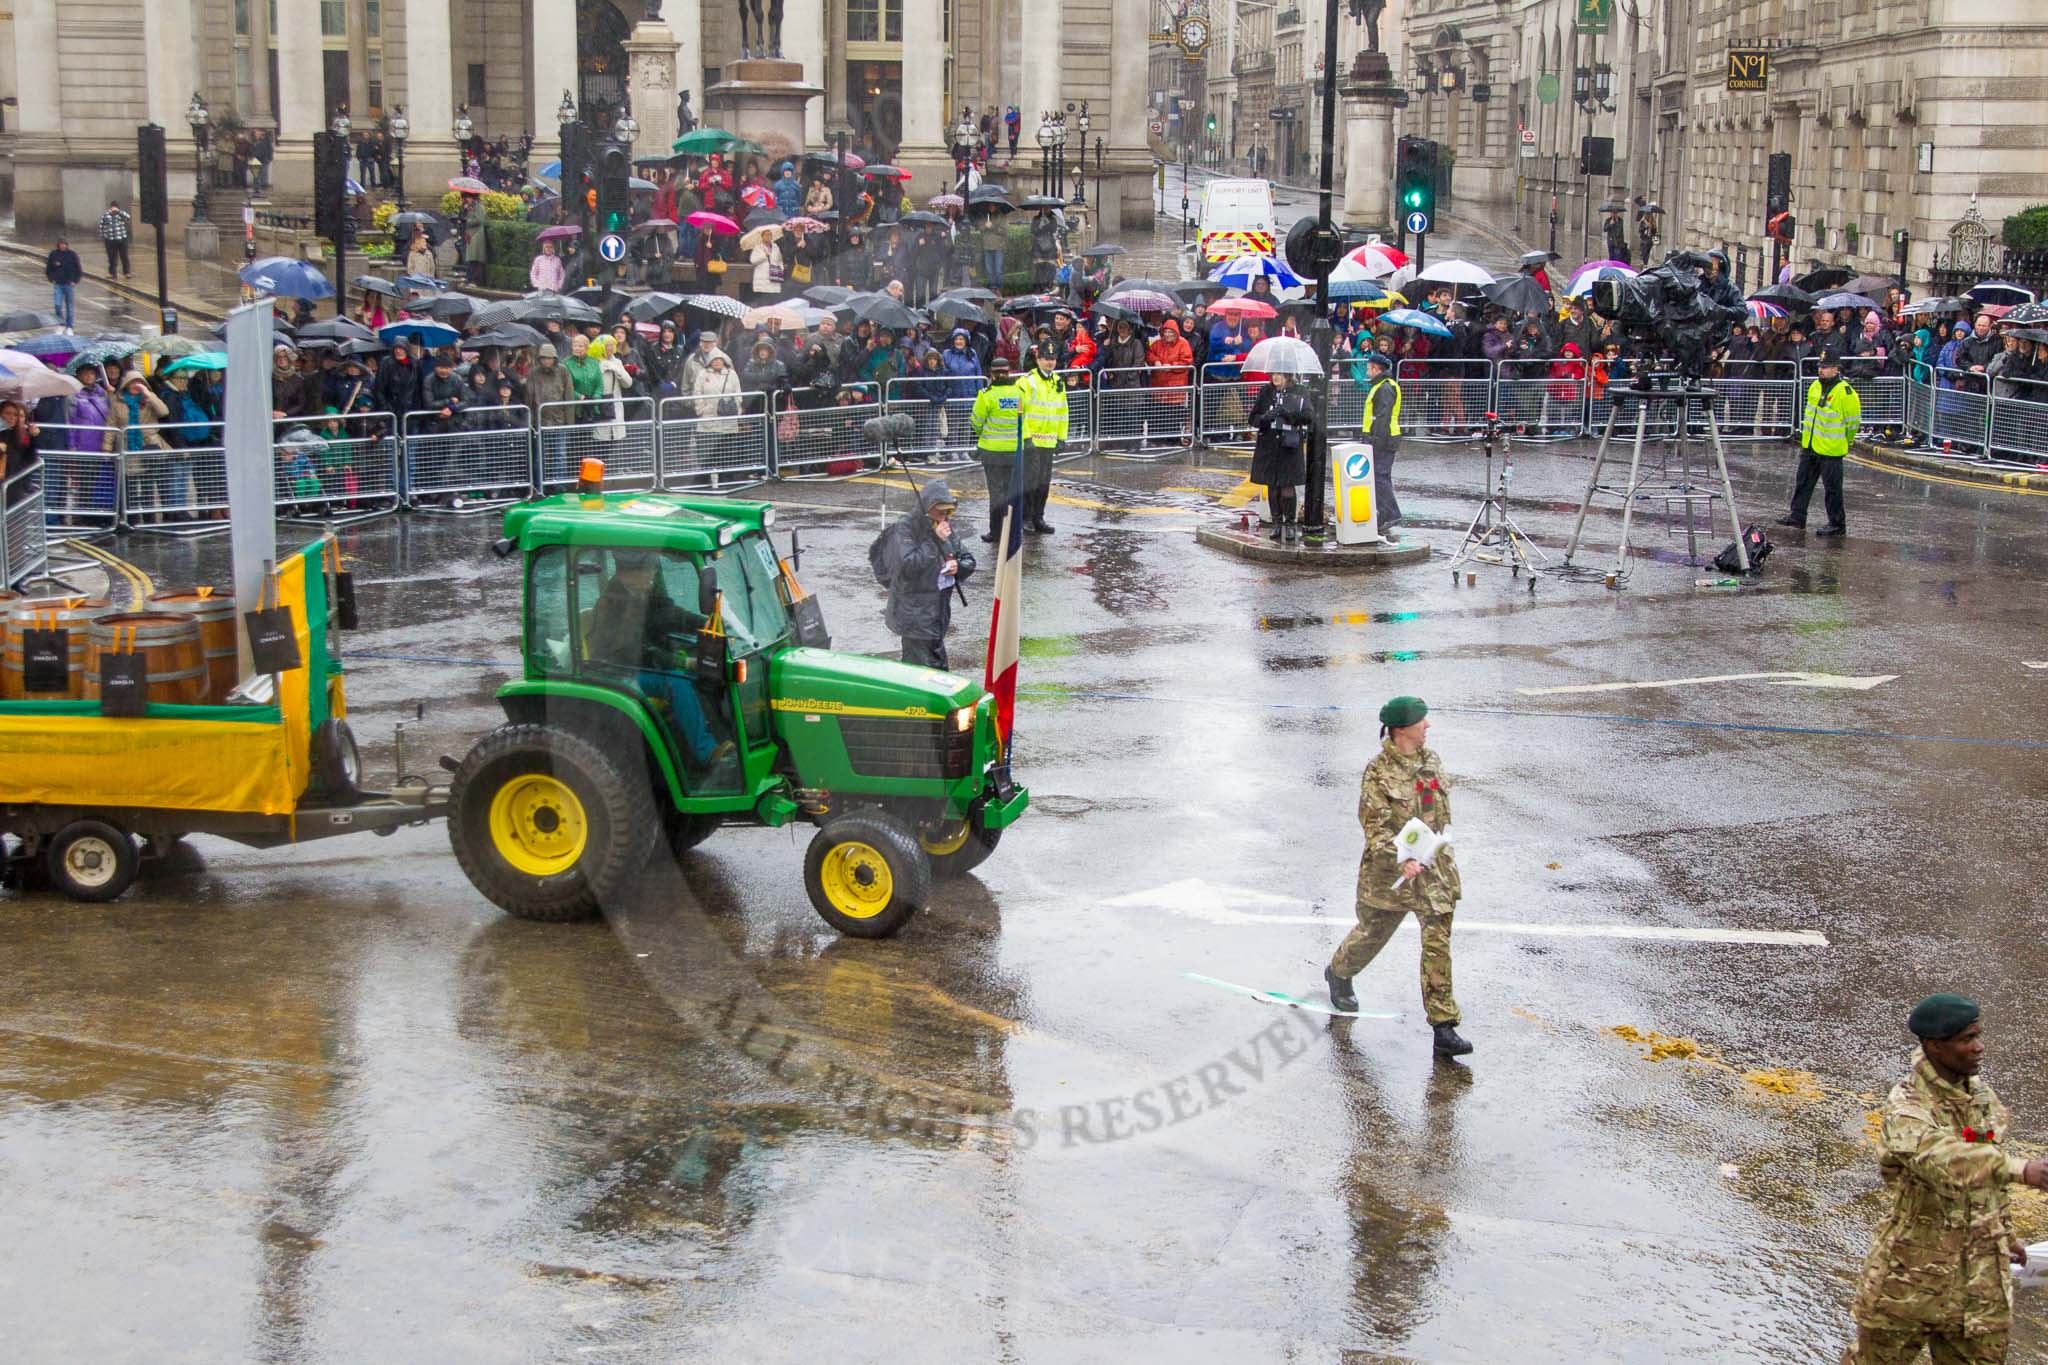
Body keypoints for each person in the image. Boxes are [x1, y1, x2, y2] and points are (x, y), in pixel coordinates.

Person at [1843, 994, 2048, 1365]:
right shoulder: (1906, 1107)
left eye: (1978, 1035)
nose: (1979, 1047)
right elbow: (1944, 1160)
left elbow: (1984, 1181)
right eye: (1967, 1039)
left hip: (1979, 1289)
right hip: (1908, 1284)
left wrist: (2004, 1233)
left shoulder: (1980, 1096)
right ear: (1935, 1046)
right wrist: (2023, 1168)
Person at [1325, 696, 1472, 1057]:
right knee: (1372, 933)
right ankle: (1339, 972)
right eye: (1422, 721)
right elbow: (1374, 827)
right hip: (1392, 874)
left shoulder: (1431, 761)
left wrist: (1435, 851)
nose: (1428, 726)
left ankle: (1444, 1026)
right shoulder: (1378, 772)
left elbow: (1439, 814)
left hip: (1433, 871)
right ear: (1402, 729)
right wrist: (1399, 860)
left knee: (1437, 943)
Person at [581, 551, 731, 772]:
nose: (652, 574)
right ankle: (706, 752)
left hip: (640, 663)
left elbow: (670, 615)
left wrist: (709, 625)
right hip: (615, 670)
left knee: (708, 673)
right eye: (649, 569)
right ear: (629, 573)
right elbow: (631, 651)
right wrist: (681, 662)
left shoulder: (643, 592)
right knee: (677, 682)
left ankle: (723, 741)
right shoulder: (613, 603)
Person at [874, 480, 976, 668]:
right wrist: (934, 540)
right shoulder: (905, 528)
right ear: (928, 507)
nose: (944, 516)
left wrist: (958, 566)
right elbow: (907, 566)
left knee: (930, 664)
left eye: (948, 511)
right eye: (940, 510)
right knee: (923, 668)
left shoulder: (944, 526)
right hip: (913, 613)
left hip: (937, 611)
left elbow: (968, 559)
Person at [1778, 351, 1859, 537]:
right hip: (1811, 444)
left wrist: (1847, 440)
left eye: (1825, 367)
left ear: (1836, 369)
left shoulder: (1845, 392)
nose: (1821, 370)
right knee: (1803, 482)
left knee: (1832, 489)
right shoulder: (1815, 386)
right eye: (1820, 366)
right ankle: (1797, 516)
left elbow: (1853, 422)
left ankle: (1837, 524)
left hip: (1831, 448)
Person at [1247, 372, 1314, 541]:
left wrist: (1288, 414)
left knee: (1287, 486)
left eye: (1279, 375)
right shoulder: (1266, 391)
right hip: (1269, 445)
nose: (1275, 378)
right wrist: (1264, 418)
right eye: (1273, 374)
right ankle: (1276, 522)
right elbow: (1252, 418)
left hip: (1289, 445)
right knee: (1272, 485)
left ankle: (1290, 523)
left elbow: (1308, 416)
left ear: (1287, 376)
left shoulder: (1300, 390)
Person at [971, 354, 1025, 541]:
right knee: (1013, 492)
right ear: (1008, 373)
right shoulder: (1019, 393)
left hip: (992, 452)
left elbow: (976, 422)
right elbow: (1025, 419)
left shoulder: (986, 396)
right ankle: (1013, 530)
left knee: (996, 493)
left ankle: (996, 532)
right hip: (1014, 451)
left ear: (992, 375)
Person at [1015, 345, 1068, 534]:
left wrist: (1062, 437)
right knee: (1030, 481)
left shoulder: (1057, 381)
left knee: (1044, 483)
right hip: (1032, 441)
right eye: (1046, 358)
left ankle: (1039, 517)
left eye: (1052, 358)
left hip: (1049, 441)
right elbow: (1019, 413)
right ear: (1038, 359)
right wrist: (1026, 438)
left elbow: (1063, 411)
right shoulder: (1026, 382)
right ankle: (1026, 518)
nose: (1050, 362)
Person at [1358, 352, 1404, 542]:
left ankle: (1391, 513)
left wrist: (1375, 440)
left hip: (1383, 439)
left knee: (1380, 476)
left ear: (1377, 369)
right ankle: (1385, 514)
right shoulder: (1382, 386)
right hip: (1382, 437)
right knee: (1379, 476)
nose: (1367, 371)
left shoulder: (1384, 388)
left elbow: (1382, 417)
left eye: (1369, 368)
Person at [44, 237, 82, 333]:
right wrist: (51, 279)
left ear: (67, 245)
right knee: (57, 305)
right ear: (58, 245)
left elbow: (79, 270)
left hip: (68, 284)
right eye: (61, 244)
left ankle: (69, 326)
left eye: (64, 244)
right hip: (58, 284)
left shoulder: (72, 255)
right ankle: (61, 324)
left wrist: (75, 281)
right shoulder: (53, 254)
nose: (62, 246)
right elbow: (49, 268)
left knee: (69, 306)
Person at [98, 200, 132, 280]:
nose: (114, 209)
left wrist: (119, 212)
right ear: (110, 207)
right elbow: (101, 226)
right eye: (113, 207)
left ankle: (126, 272)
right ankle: (112, 273)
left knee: (124, 256)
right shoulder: (106, 215)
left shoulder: (121, 214)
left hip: (122, 238)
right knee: (112, 257)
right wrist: (103, 236)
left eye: (115, 207)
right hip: (110, 239)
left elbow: (128, 217)